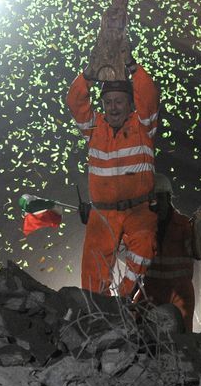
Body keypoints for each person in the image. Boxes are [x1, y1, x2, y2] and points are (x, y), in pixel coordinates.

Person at [67, 56, 160, 297]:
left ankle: (126, 299)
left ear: (131, 104)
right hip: (103, 213)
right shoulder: (94, 127)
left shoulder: (143, 127)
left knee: (144, 243)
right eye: (108, 102)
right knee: (92, 271)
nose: (113, 107)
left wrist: (133, 67)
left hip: (137, 210)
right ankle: (101, 310)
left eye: (119, 101)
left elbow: (149, 96)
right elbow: (75, 102)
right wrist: (88, 75)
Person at [137, 173, 201, 332]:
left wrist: (196, 227)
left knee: (180, 339)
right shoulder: (143, 227)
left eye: (158, 199)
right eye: (151, 200)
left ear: (168, 198)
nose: (154, 205)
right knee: (138, 332)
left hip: (179, 293)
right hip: (151, 291)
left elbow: (199, 253)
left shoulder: (182, 224)